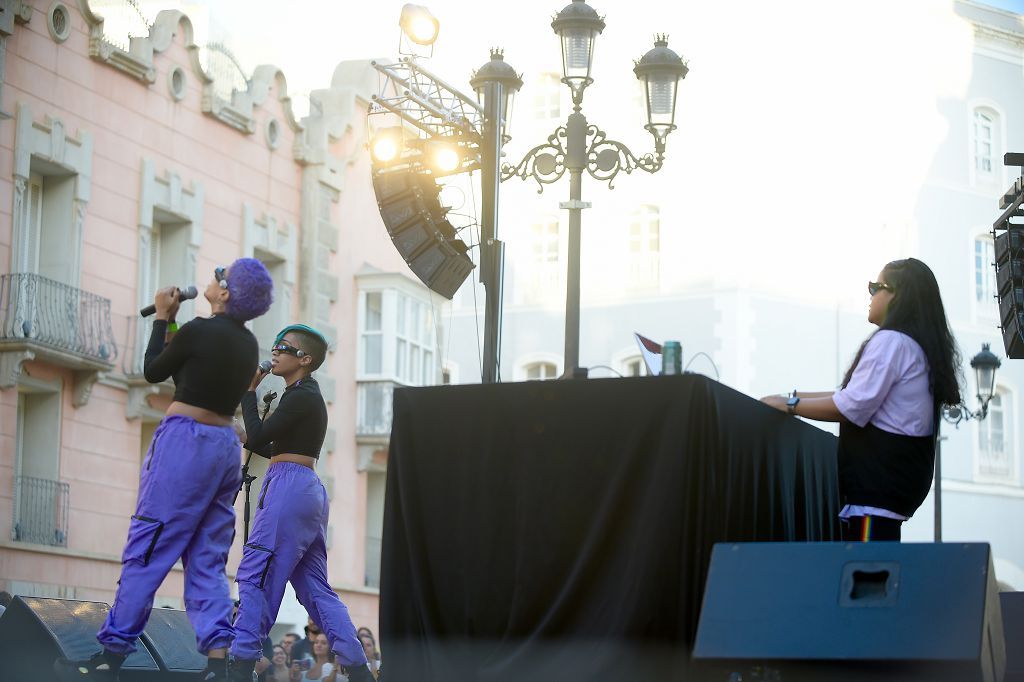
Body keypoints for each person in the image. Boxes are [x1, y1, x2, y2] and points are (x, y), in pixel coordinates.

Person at [55, 259, 274, 681]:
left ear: (225, 293)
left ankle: (110, 655)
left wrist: (162, 319)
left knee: (149, 543)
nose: (211, 280)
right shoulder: (247, 346)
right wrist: (175, 325)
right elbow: (186, 371)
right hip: (224, 448)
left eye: (219, 277)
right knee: (208, 557)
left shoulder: (198, 331)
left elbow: (155, 369)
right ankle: (217, 661)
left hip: (185, 444)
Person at [761, 258, 962, 541]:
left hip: (876, 496)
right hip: (887, 495)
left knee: (868, 576)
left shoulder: (892, 342)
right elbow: (852, 397)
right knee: (872, 573)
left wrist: (789, 406)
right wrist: (791, 397)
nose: (870, 295)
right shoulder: (911, 345)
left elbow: (852, 405)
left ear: (898, 295)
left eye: (876, 287)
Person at [227, 325, 372, 682]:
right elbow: (263, 445)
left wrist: (248, 390)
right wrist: (240, 430)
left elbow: (261, 436)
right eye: (274, 345)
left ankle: (240, 663)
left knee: (256, 574)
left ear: (304, 359)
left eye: (283, 347)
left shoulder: (301, 395)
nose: (274, 351)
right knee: (314, 587)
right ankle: (357, 668)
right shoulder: (302, 396)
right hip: (303, 487)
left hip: (289, 488)